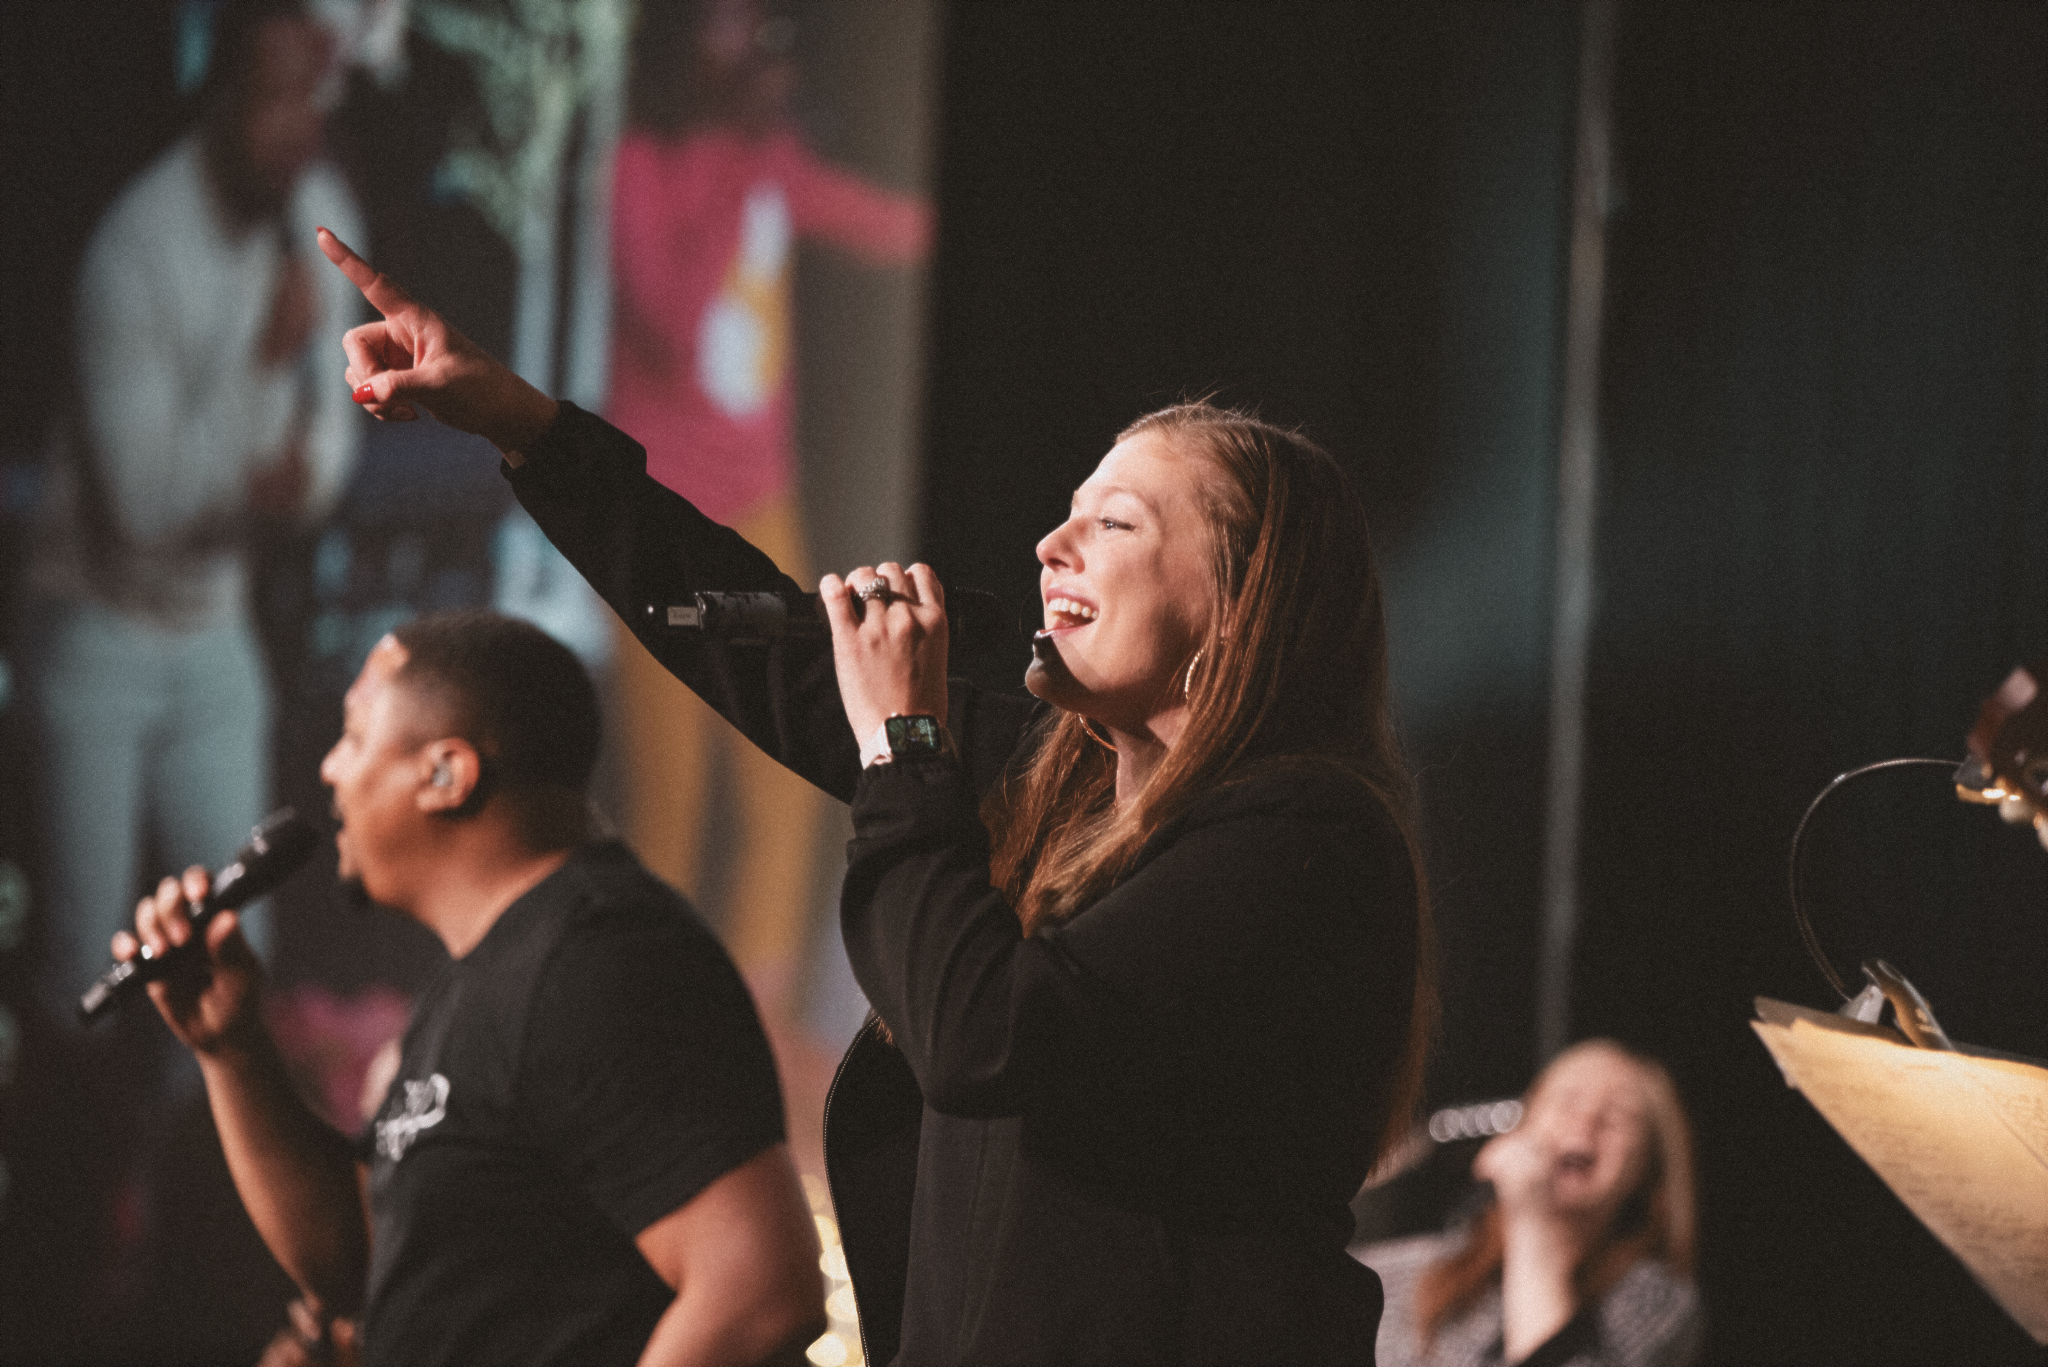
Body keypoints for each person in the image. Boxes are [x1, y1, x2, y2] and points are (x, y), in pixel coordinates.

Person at [318, 227, 1434, 1363]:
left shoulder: (1307, 836)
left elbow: (984, 1034)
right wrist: (524, 427)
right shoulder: (1060, 780)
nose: (1050, 545)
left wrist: (905, 740)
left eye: (1112, 524)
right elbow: (769, 655)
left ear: (1240, 606)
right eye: (1066, 510)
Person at [114, 610, 825, 1365]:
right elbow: (361, 1265)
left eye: (354, 737)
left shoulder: (601, 960)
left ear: (446, 773)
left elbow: (758, 1291)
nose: (330, 768)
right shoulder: (490, 975)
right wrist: (232, 1045)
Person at [23, 0, 364, 1023]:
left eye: (311, 101)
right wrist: (264, 372)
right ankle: (73, 1179)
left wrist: (292, 481)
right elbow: (144, 505)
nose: (295, 128)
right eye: (271, 102)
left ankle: (207, 1180)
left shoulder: (322, 210)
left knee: (237, 946)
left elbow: (329, 450)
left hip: (213, 624)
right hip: (96, 631)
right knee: (86, 959)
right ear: (217, 101)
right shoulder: (135, 250)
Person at [609, 0, 932, 1013]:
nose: (750, 46)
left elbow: (878, 225)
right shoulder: (642, 169)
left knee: (787, 777)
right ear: (679, 50)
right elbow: (670, 318)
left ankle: (752, 1015)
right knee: (668, 795)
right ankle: (646, 1016)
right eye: (724, 29)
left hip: (762, 505)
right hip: (663, 513)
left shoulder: (768, 158)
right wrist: (736, 165)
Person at [1360, 1041, 1702, 1367]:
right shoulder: (1405, 1271)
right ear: (1524, 1125)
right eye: (1567, 1100)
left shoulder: (1655, 1301)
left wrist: (1530, 1221)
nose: (1585, 1122)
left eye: (1619, 1116)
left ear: (1646, 1168)